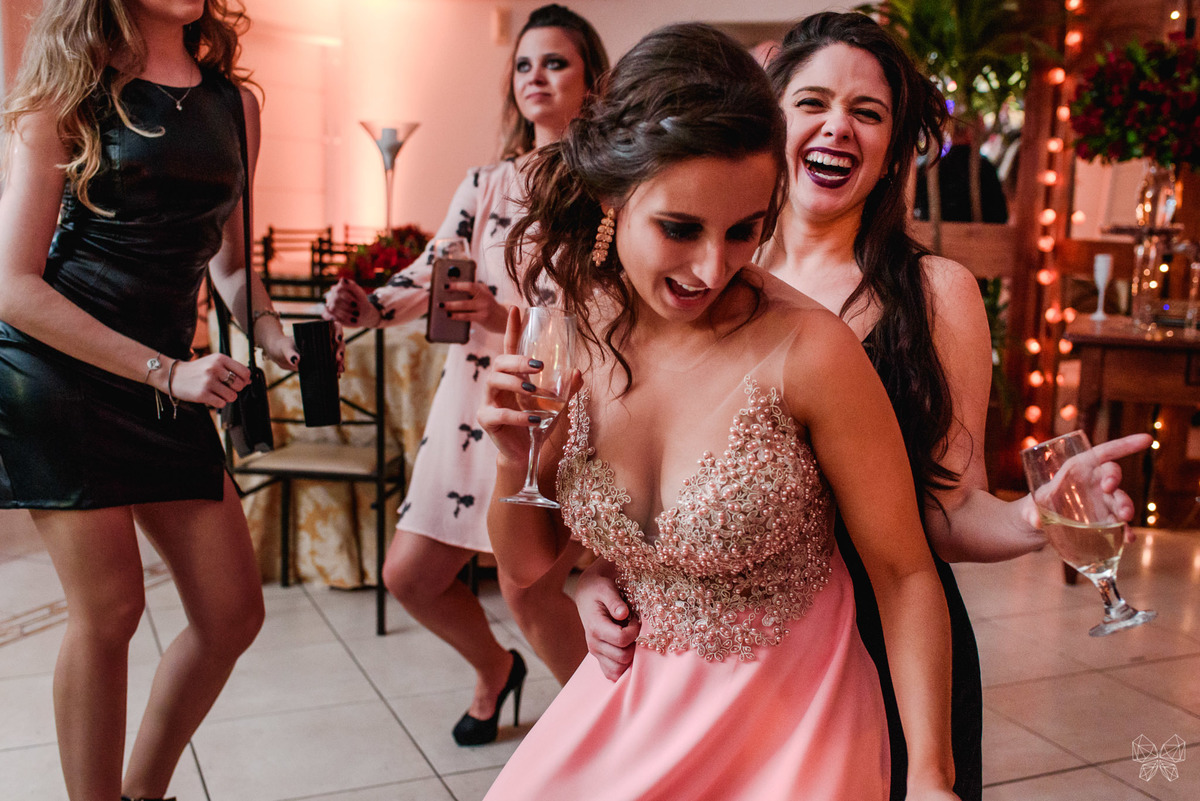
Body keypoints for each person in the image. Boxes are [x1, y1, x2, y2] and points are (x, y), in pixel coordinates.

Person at [573, 12, 1151, 801]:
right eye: (812, 102)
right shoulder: (695, 275)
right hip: (724, 666)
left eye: (868, 112)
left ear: (893, 150)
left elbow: (946, 512)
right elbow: (644, 473)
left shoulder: (936, 293)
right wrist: (591, 576)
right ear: (767, 121)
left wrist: (1034, 517)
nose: (837, 127)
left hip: (890, 643)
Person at [478, 23, 961, 800]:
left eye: (744, 231)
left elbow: (905, 575)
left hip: (792, 728)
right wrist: (513, 464)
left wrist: (932, 777)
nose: (712, 268)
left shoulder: (811, 350)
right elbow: (530, 568)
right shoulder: (571, 329)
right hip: (635, 704)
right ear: (611, 194)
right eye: (680, 228)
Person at [0, 0, 299, 798]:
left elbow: (231, 266)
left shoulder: (236, 105)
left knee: (231, 612)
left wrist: (274, 332)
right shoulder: (64, 92)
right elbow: (12, 286)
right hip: (59, 369)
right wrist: (167, 372)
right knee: (110, 611)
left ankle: (144, 791)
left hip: (167, 377)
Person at [322, 4, 609, 746]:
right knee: (409, 576)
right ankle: (494, 669)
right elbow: (432, 273)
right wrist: (366, 305)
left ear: (593, 79)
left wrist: (500, 310)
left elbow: (603, 311)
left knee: (530, 591)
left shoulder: (606, 187)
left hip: (551, 409)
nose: (535, 77)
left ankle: (606, 735)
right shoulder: (485, 182)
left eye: (556, 62)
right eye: (524, 64)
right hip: (470, 406)